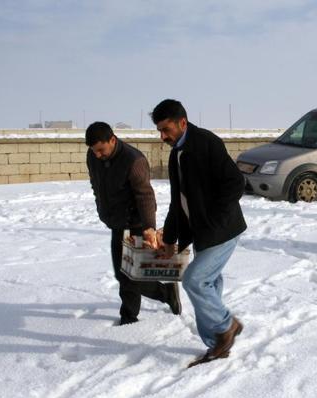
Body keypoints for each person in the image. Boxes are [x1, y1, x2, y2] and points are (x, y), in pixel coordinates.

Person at [152, 99, 247, 367]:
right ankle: (216, 344)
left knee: (195, 280)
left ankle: (227, 326)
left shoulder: (207, 143)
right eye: (159, 130)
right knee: (210, 284)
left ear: (182, 122)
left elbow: (235, 183)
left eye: (166, 129)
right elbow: (177, 201)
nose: (163, 136)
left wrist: (213, 216)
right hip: (202, 232)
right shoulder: (176, 154)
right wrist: (169, 238)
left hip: (222, 230)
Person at [85, 121, 181, 326]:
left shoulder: (133, 160)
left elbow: (145, 196)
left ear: (112, 139)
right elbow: (96, 184)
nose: (97, 155)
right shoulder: (92, 156)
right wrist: (100, 205)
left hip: (137, 223)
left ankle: (130, 317)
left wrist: (149, 227)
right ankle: (165, 293)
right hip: (117, 222)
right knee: (124, 274)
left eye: (101, 150)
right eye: (94, 151)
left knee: (130, 276)